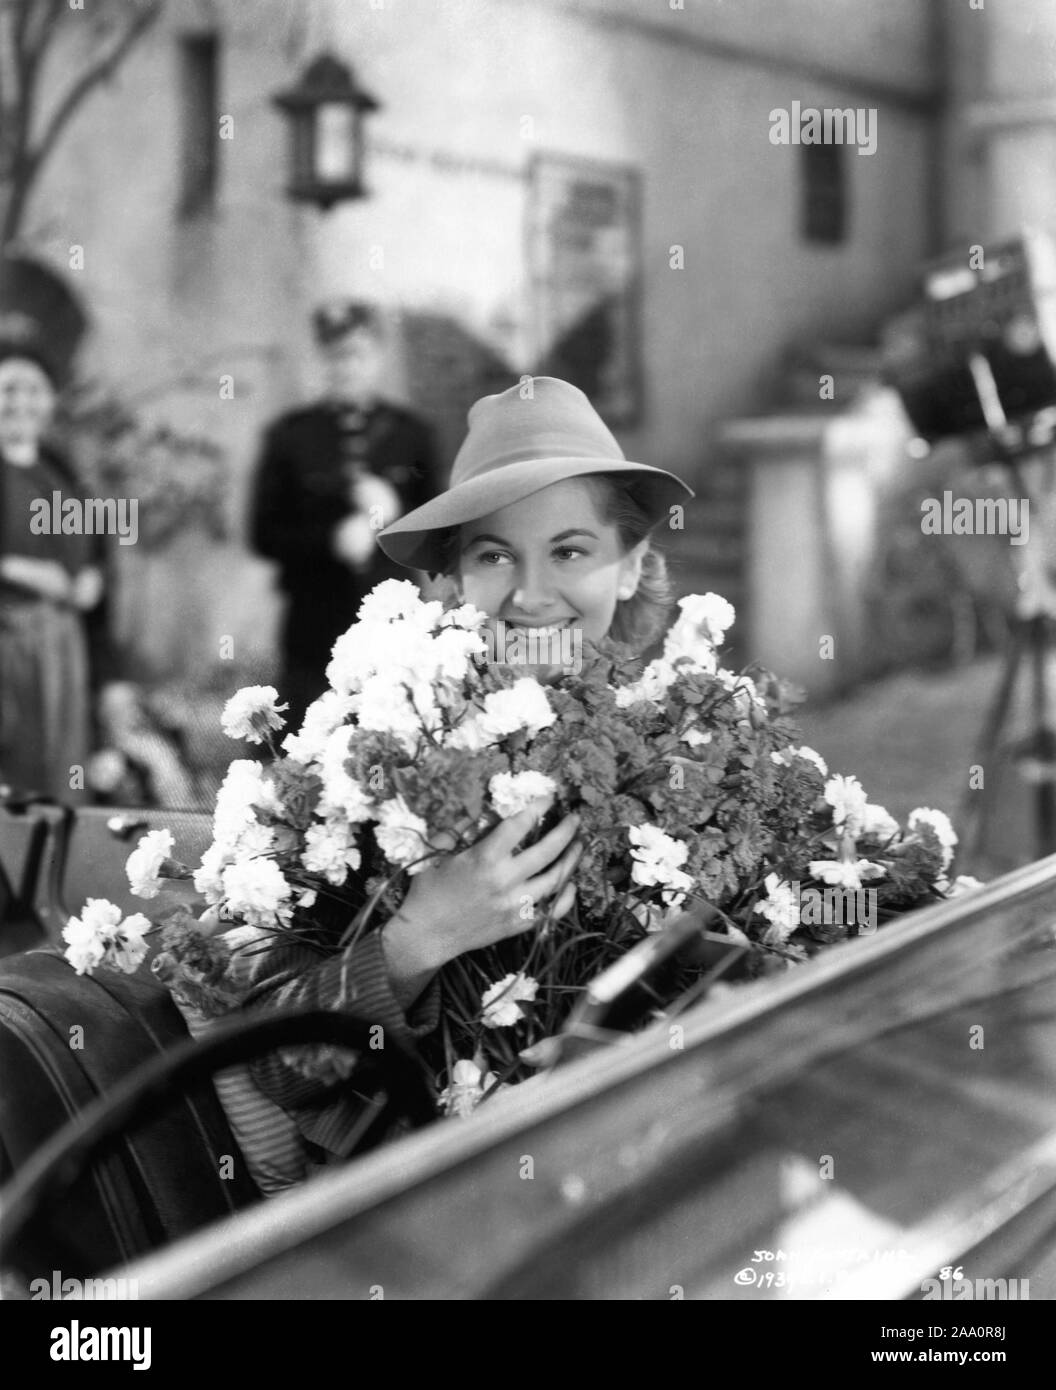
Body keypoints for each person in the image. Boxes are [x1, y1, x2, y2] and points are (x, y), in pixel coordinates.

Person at [206, 377, 695, 1189]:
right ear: (456, 579)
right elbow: (277, 1065)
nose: (532, 595)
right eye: (494, 555)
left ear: (628, 565)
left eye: (570, 551)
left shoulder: (680, 752)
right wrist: (421, 937)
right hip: (432, 1210)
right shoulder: (378, 761)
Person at [248, 301, 440, 728]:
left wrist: (391, 512)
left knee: (394, 739)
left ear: (378, 357)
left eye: (357, 354)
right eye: (336, 355)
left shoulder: (412, 435)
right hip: (313, 627)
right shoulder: (290, 436)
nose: (347, 367)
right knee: (309, 740)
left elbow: (440, 531)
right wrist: (330, 540)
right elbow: (263, 534)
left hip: (391, 625)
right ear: (321, 359)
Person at [0, 255, 103, 802]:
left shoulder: (61, 474)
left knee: (57, 784)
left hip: (60, 653)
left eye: (32, 391)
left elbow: (92, 559)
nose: (20, 404)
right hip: (6, 649)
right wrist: (24, 570)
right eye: (8, 390)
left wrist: (87, 580)